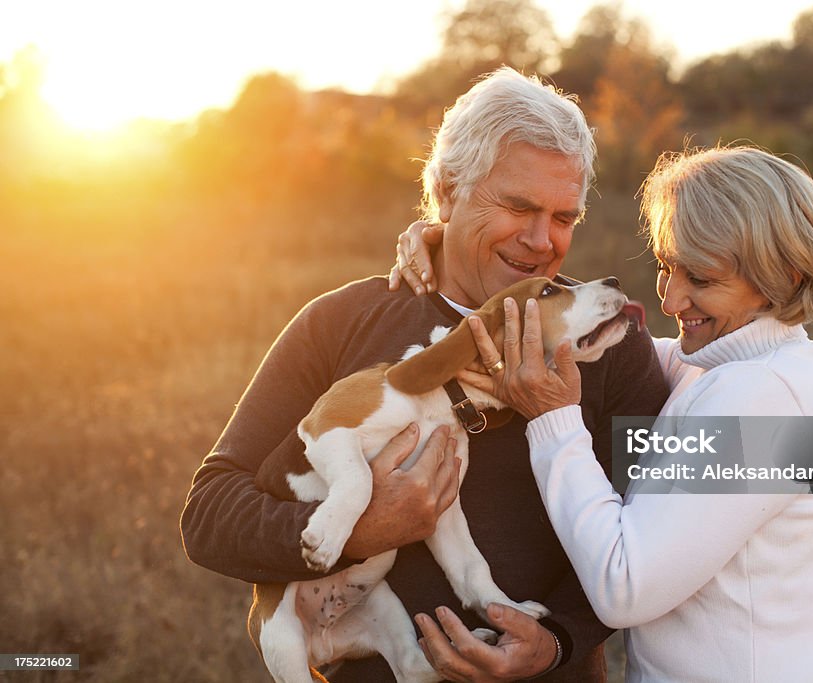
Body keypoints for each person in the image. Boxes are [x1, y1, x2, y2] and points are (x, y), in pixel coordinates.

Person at [179, 67, 668, 681]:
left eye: (565, 217)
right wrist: (357, 527)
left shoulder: (608, 341)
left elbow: (666, 514)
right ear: (445, 192)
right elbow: (209, 515)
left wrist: (561, 638)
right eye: (517, 206)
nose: (543, 240)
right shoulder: (338, 323)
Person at [395, 145, 813, 681]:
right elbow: (621, 345)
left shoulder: (764, 401)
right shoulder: (723, 364)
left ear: (782, 275)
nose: (671, 300)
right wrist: (451, 241)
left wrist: (554, 417)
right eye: (667, 267)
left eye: (702, 280)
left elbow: (623, 587)